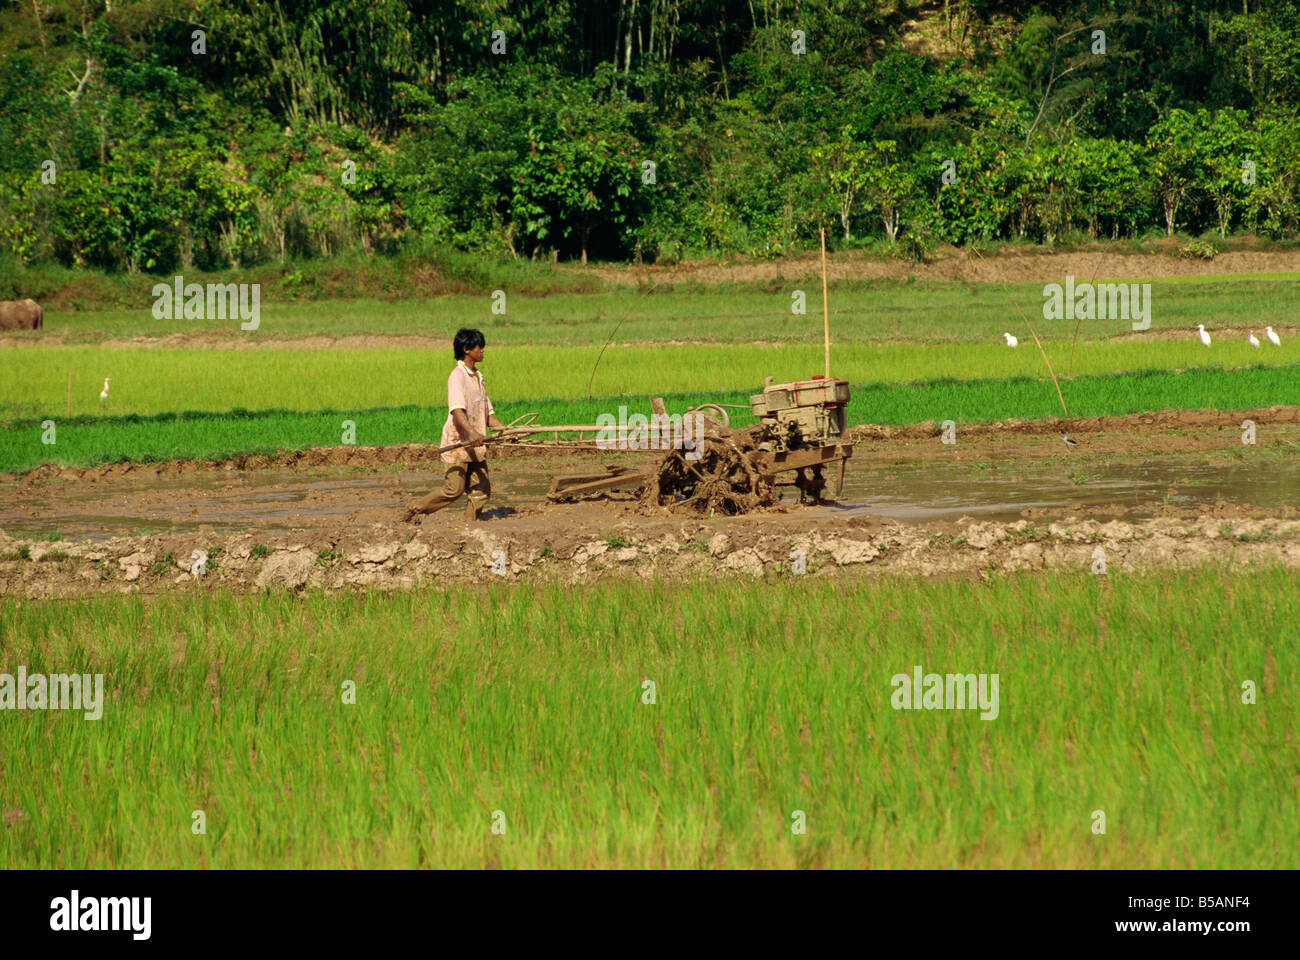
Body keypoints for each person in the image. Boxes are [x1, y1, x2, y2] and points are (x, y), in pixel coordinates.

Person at [404, 328, 506, 522]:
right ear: (467, 349)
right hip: (459, 441)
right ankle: (415, 509)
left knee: (481, 491)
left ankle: (470, 526)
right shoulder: (457, 376)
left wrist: (507, 430)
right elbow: (457, 411)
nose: (483, 350)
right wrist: (472, 433)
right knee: (454, 489)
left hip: (475, 444)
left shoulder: (478, 377)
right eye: (479, 347)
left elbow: (488, 415)